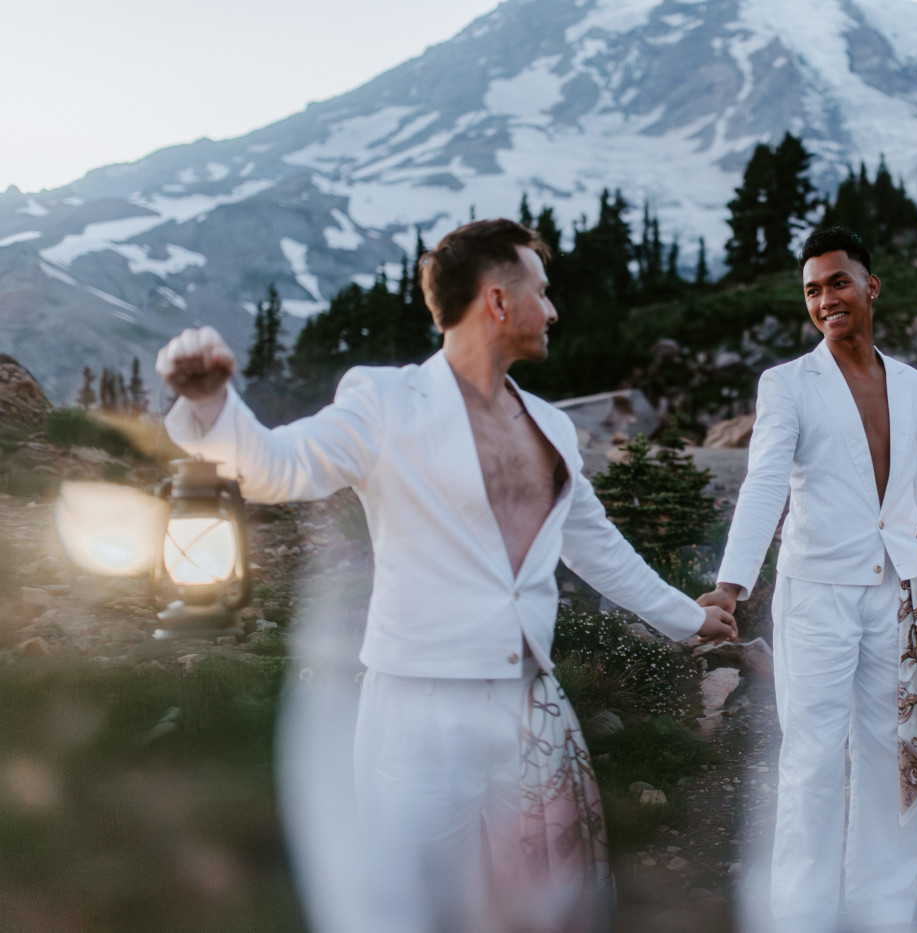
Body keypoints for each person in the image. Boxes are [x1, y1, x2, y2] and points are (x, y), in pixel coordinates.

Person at [156, 218, 737, 933]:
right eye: (543, 292)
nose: (554, 311)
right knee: (416, 910)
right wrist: (211, 405)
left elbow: (597, 547)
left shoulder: (552, 428)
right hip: (417, 709)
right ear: (498, 301)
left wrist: (689, 616)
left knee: (549, 906)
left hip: (532, 706)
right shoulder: (385, 400)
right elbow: (283, 467)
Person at [699, 227, 917, 931]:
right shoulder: (787, 385)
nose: (825, 298)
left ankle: (884, 914)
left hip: (898, 598)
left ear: (870, 287)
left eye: (837, 282)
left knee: (899, 762)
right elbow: (765, 485)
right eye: (812, 289)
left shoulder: (914, 387)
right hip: (817, 600)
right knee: (812, 764)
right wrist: (730, 585)